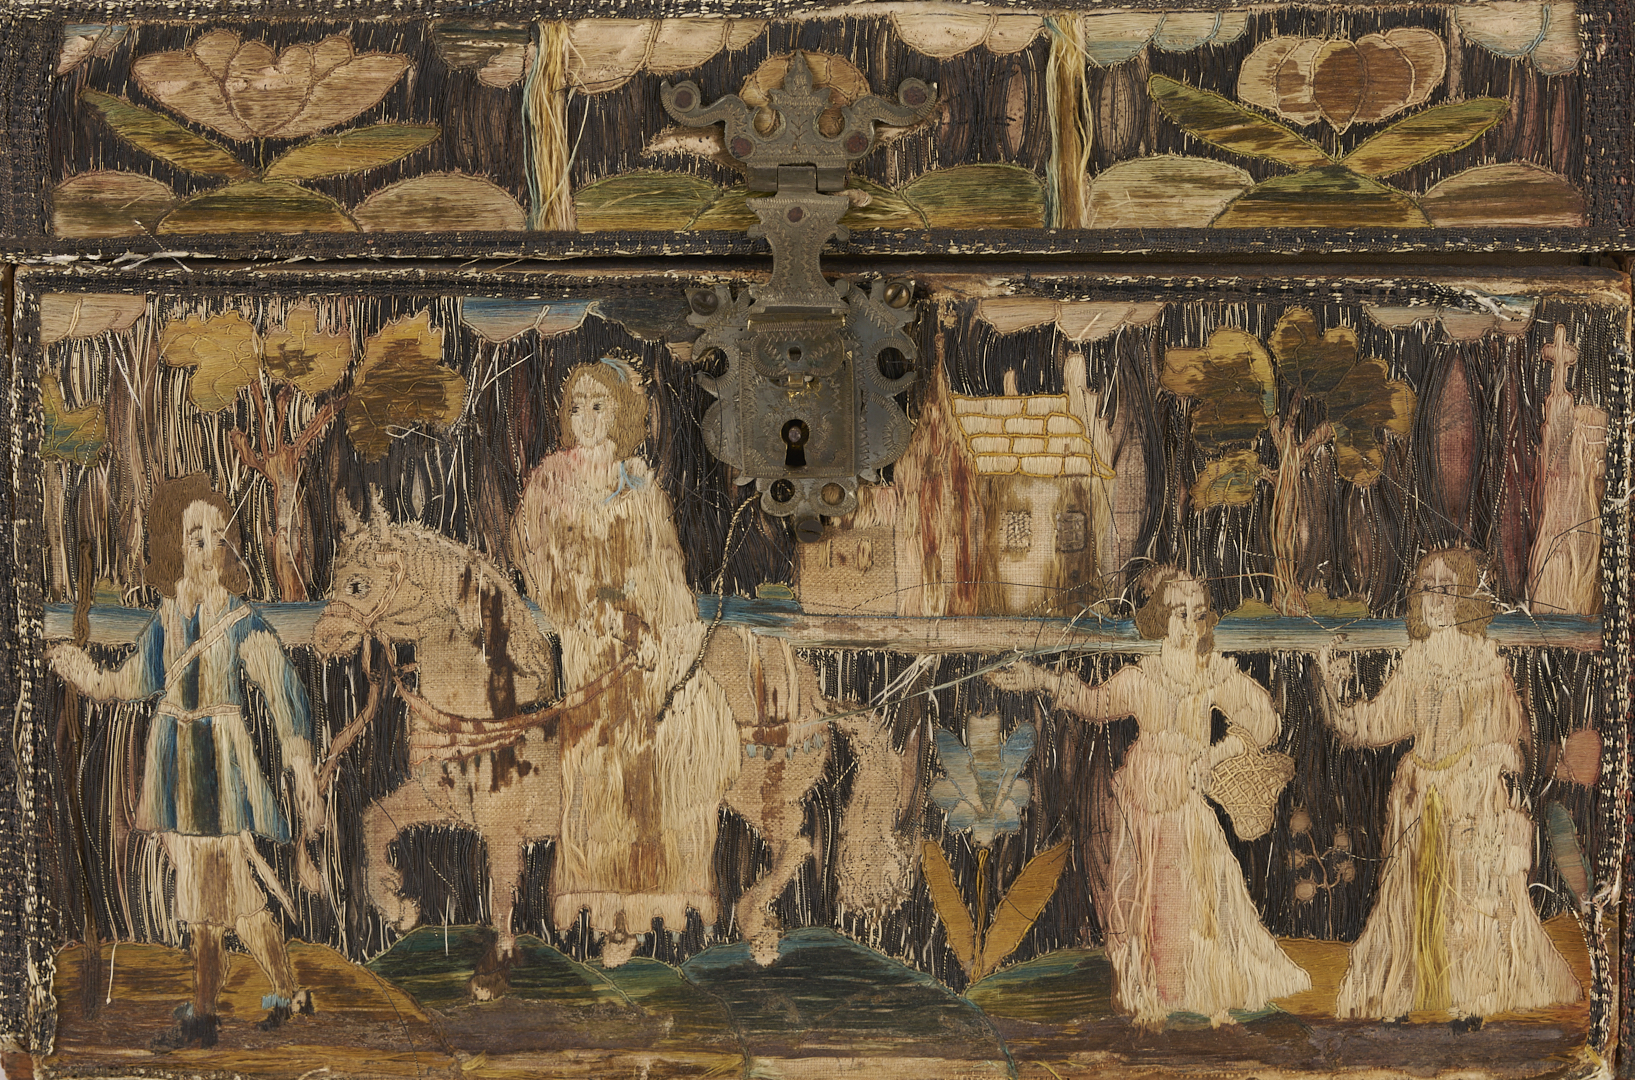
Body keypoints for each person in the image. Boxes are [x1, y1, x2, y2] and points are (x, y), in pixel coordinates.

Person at [47, 476, 323, 1049]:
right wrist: (80, 670)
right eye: (196, 536)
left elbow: (282, 689)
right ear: (176, 547)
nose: (208, 548)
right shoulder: (167, 621)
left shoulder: (240, 619)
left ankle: (205, 1016)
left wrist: (299, 762)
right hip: (177, 770)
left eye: (217, 536)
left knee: (208, 898)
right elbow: (127, 683)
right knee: (233, 900)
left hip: (221, 771)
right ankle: (284, 995)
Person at [988, 567, 1310, 1027]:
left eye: (1198, 613)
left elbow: (1266, 723)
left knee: (1186, 900)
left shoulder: (1212, 674)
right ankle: (1148, 997)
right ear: (1160, 618)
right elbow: (1095, 703)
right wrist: (1039, 677)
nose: (1190, 625)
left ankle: (1187, 997)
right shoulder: (1144, 677)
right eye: (1179, 614)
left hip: (1183, 806)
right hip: (1138, 808)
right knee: (1137, 900)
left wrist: (1217, 754)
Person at [509, 358, 738, 966]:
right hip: (585, 644)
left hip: (641, 643)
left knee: (659, 763)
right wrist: (587, 608)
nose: (585, 418)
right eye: (576, 406)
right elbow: (536, 558)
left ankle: (646, 905)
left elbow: (663, 568)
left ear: (621, 414)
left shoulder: (639, 484)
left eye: (598, 405)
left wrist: (656, 626)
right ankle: (602, 906)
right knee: (594, 771)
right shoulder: (548, 482)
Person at [1318, 548, 1580, 1025]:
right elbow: (1375, 724)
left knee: (1470, 898)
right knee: (1411, 900)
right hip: (1419, 798)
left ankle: (1471, 996)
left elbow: (1508, 736)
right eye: (1427, 588)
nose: (1435, 599)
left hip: (1470, 800)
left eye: (1447, 589)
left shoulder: (1486, 662)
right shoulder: (1416, 660)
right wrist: (1334, 693)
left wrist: (1487, 775)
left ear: (1466, 599)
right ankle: (1406, 992)